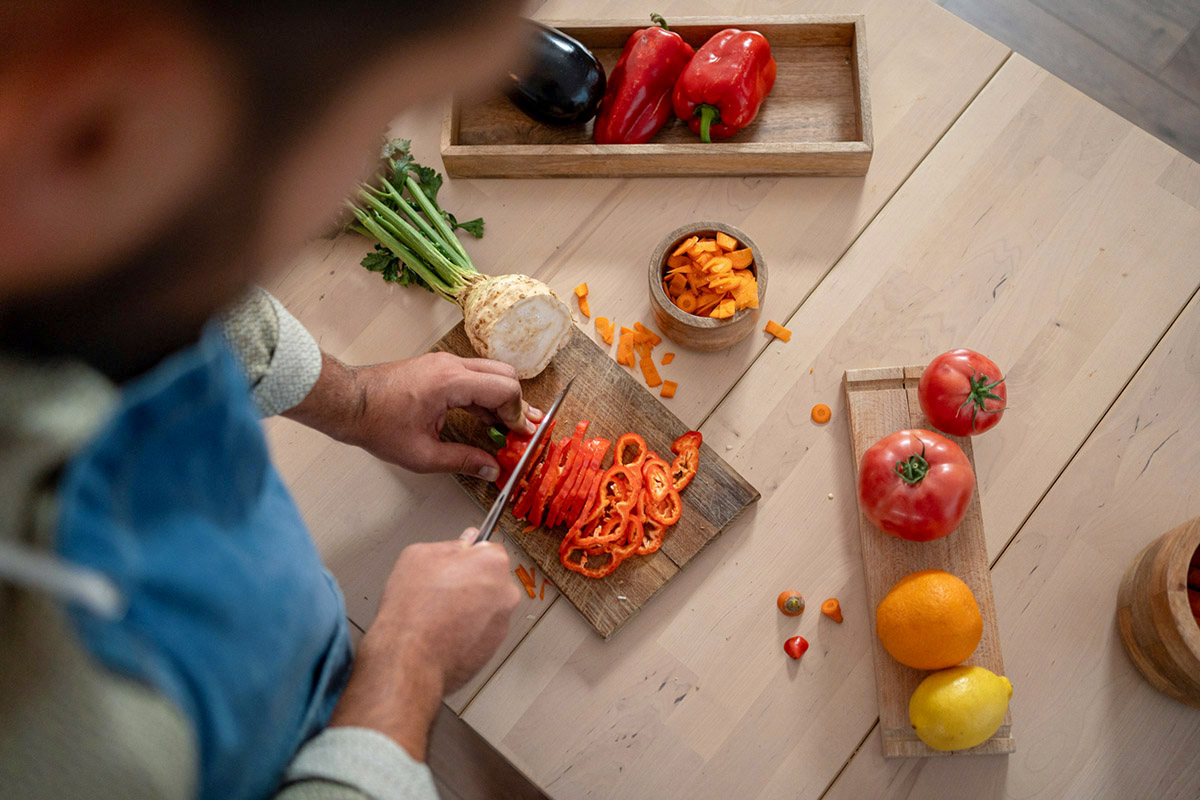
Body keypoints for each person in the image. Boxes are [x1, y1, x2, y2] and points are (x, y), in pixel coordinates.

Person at [0, 2, 533, 798]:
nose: (361, 175)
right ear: (103, 132)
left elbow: (184, 276)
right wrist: (405, 675)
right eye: (365, 128)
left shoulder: (86, 232)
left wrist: (356, 401)